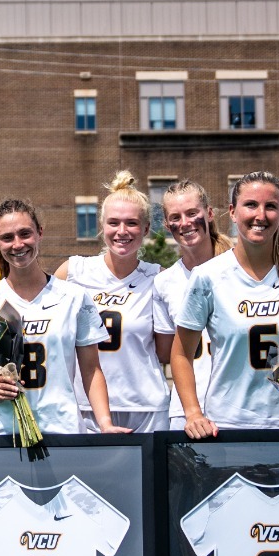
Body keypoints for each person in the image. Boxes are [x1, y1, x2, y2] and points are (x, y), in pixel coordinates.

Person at [172, 172, 279, 438]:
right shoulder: (208, 276)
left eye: (271, 206)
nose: (260, 215)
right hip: (229, 426)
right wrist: (193, 413)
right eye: (251, 205)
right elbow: (181, 354)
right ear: (232, 211)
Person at [0, 199, 123, 436]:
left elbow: (92, 370)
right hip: (2, 432)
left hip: (63, 429)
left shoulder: (74, 297)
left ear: (39, 233)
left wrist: (105, 423)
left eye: (25, 234)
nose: (18, 244)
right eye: (7, 237)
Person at [55, 172, 172, 432]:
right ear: (102, 226)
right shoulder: (73, 271)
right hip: (86, 407)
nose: (122, 231)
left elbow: (165, 352)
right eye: (114, 222)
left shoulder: (158, 277)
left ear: (145, 229)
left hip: (146, 408)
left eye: (131, 223)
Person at [156, 180, 231, 430]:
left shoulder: (239, 269)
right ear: (167, 225)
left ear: (209, 213)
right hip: (186, 412)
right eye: (175, 217)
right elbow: (167, 353)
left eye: (192, 213)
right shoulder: (164, 282)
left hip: (238, 407)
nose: (185, 223)